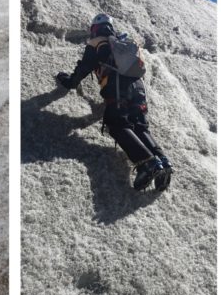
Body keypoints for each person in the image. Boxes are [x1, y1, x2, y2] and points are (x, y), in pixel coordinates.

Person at [56, 13, 172, 191]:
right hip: (138, 87)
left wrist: (70, 82)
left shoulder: (98, 42)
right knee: (139, 126)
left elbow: (84, 67)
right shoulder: (122, 42)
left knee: (116, 123)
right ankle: (162, 163)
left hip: (117, 85)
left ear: (95, 28)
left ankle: (146, 164)